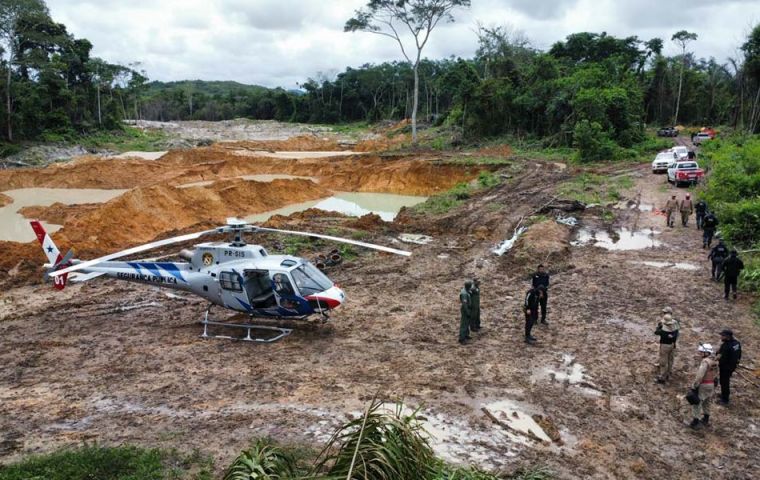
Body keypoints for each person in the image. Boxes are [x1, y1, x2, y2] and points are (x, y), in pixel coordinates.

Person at [689, 343, 717, 429]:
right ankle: (706, 419)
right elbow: (716, 374)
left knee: (697, 402)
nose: (700, 354)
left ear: (707, 353)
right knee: (707, 402)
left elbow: (699, 376)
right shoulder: (714, 361)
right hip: (711, 384)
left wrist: (694, 386)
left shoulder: (705, 362)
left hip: (704, 385)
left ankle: (695, 422)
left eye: (702, 352)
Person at [716, 329, 742, 406]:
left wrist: (717, 356)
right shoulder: (736, 343)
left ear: (728, 336)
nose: (721, 337)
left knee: (724, 383)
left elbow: (721, 356)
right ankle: (724, 394)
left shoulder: (726, 346)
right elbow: (739, 355)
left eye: (722, 335)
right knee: (724, 382)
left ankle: (725, 400)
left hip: (725, 368)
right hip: (731, 367)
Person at [654, 313, 679, 383]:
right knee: (670, 360)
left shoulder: (663, 330)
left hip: (665, 346)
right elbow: (676, 334)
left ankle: (662, 377)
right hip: (673, 345)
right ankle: (669, 373)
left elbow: (656, 332)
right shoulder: (675, 328)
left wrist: (659, 326)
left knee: (663, 362)